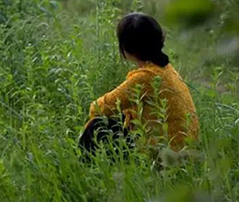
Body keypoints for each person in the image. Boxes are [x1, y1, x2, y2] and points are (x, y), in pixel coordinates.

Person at [79, 13, 199, 157]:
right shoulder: (166, 69)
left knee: (97, 126)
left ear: (127, 48)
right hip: (185, 148)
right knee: (124, 117)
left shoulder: (145, 78)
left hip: (167, 154)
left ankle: (84, 170)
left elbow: (99, 108)